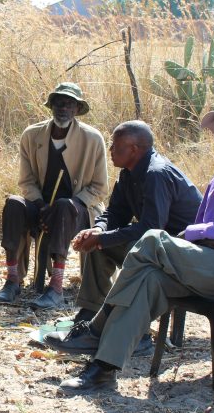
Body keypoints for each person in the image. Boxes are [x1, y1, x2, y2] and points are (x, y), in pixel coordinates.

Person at [56, 94, 214, 392]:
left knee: (151, 240)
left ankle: (96, 327)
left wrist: (206, 233)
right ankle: (103, 368)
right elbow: (207, 229)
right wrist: (212, 235)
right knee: (150, 278)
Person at [67, 120, 202, 326]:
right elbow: (115, 213)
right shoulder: (128, 173)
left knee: (133, 248)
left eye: (115, 145)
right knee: (97, 244)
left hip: (186, 252)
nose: (110, 149)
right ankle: (90, 313)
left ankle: (132, 327)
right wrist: (97, 230)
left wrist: (104, 237)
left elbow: (152, 229)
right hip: (160, 245)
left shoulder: (156, 174)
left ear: (134, 149)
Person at [0, 82, 107, 310]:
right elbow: (26, 182)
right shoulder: (32, 135)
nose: (63, 108)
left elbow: (99, 188)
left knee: (64, 207)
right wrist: (41, 205)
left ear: (76, 109)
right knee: (14, 204)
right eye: (58, 103)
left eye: (69, 104)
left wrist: (68, 205)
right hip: (41, 205)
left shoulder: (92, 139)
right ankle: (12, 279)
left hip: (77, 211)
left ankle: (55, 287)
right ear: (50, 106)